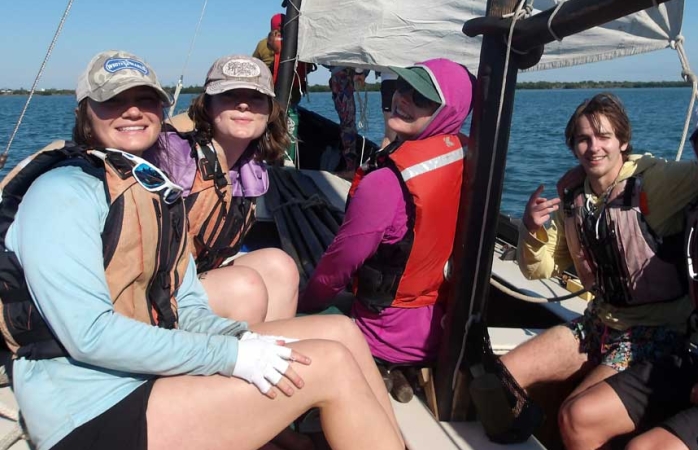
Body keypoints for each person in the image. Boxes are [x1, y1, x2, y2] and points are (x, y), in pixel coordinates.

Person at [0, 50, 403, 450]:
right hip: (84, 403)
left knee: (339, 332)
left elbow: (186, 304)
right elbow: (89, 336)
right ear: (86, 112)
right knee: (328, 367)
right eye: (114, 102)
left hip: (142, 369)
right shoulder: (63, 193)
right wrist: (230, 356)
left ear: (162, 108)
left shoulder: (152, 190)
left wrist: (243, 339)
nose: (133, 112)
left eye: (145, 100)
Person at [497, 93, 698, 447]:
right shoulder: (575, 198)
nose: (594, 147)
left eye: (604, 137)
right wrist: (533, 229)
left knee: (578, 413)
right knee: (502, 376)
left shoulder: (658, 182)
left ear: (623, 141)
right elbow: (537, 269)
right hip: (600, 322)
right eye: (583, 139)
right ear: (573, 146)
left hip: (654, 331)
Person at [299, 58, 473, 367]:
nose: (403, 98)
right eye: (400, 87)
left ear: (447, 111)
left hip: (384, 335)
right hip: (441, 329)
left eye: (421, 97)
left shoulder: (385, 182)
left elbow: (339, 265)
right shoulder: (468, 160)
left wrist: (304, 303)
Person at [146, 55, 299, 324]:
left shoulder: (251, 167)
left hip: (199, 273)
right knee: (244, 286)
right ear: (207, 105)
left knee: (280, 266)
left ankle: (276, 351)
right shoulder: (170, 154)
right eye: (229, 95)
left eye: (256, 97)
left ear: (269, 111)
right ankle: (234, 360)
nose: (243, 104)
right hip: (153, 291)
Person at [327, 66, 366, 172]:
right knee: (347, 123)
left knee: (347, 123)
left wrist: (359, 71)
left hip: (342, 74)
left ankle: (350, 168)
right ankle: (350, 166)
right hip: (341, 74)